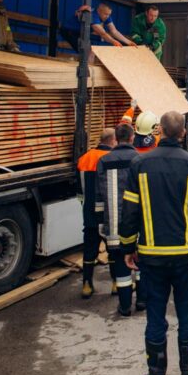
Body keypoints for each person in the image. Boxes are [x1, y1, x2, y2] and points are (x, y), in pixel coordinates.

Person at [120, 111, 188, 375]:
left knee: (154, 317)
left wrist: (128, 246)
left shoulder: (139, 164)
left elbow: (130, 212)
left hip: (151, 256)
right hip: (186, 255)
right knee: (187, 314)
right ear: (184, 133)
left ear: (159, 130)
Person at [96, 123, 145, 316]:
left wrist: (102, 222)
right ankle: (141, 301)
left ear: (116, 139)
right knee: (141, 264)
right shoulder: (140, 160)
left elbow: (99, 195)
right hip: (140, 223)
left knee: (121, 265)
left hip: (114, 223)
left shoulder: (104, 161)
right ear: (132, 138)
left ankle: (124, 306)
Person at [77, 128, 115, 298]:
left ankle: (86, 284)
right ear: (113, 140)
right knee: (113, 249)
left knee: (89, 249)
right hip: (107, 213)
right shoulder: (110, 159)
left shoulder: (84, 158)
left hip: (89, 212)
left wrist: (84, 206)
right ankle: (115, 283)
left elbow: (79, 190)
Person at [60, 2, 136, 52]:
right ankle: (84, 71)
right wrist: (114, 41)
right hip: (68, 30)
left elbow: (114, 31)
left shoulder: (106, 16)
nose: (108, 16)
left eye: (109, 14)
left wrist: (129, 42)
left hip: (81, 32)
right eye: (106, 14)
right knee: (86, 51)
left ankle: (89, 69)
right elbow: (103, 33)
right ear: (99, 11)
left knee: (91, 51)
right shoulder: (93, 16)